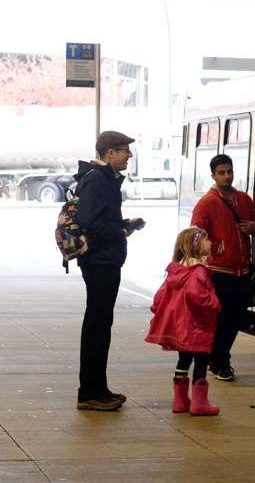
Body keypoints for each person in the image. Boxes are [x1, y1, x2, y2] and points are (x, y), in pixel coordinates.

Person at [74, 130, 144, 411]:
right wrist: (120, 231)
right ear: (110, 153)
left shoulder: (104, 179)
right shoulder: (97, 180)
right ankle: (89, 393)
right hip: (100, 262)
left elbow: (98, 218)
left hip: (105, 260)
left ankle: (98, 388)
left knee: (100, 326)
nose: (129, 154)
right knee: (97, 327)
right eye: (125, 149)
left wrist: (125, 224)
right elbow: (89, 220)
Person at [190, 154, 255, 382]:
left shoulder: (244, 199)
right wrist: (207, 254)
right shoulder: (207, 203)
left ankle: (217, 357)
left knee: (237, 318)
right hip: (219, 271)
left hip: (241, 269)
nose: (227, 176)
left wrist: (254, 227)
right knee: (222, 320)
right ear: (213, 175)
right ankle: (221, 362)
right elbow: (195, 235)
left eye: (229, 171)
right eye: (221, 172)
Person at [144, 227, 222, 416]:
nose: (211, 243)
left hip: (181, 327)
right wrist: (215, 304)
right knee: (202, 361)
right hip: (198, 325)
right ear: (196, 246)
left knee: (184, 360)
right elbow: (198, 295)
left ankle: (180, 401)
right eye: (206, 240)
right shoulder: (199, 271)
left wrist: (159, 310)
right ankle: (199, 403)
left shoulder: (176, 270)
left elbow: (160, 296)